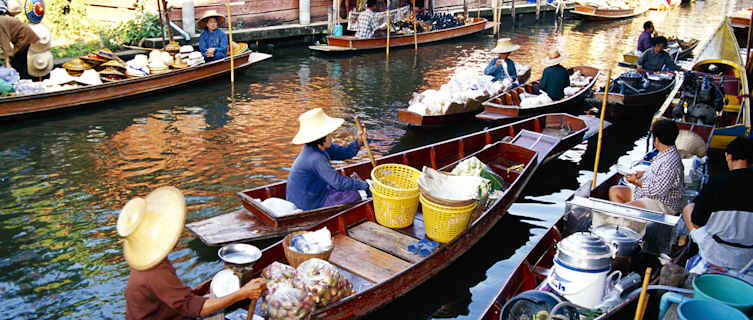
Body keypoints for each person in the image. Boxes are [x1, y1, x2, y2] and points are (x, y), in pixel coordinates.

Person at [120, 186, 267, 320]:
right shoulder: (155, 271)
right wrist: (243, 293)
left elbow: (174, 295)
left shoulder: (149, 259)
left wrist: (195, 294)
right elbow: (192, 308)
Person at [682, 137, 753, 284]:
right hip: (748, 257)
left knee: (689, 208)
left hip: (716, 253)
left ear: (729, 156)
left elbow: (697, 220)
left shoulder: (716, 183)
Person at [286, 108, 371, 211]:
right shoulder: (316, 157)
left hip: (317, 191)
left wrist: (359, 141)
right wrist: (365, 185)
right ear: (321, 138)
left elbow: (345, 153)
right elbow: (339, 183)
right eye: (329, 135)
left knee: (353, 187)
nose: (332, 137)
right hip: (308, 202)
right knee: (357, 194)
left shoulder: (323, 147)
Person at [609, 120, 685, 214]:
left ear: (656, 139)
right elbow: (661, 174)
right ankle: (626, 220)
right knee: (614, 191)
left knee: (625, 210)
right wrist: (642, 174)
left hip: (662, 202)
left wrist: (636, 182)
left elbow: (657, 191)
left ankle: (625, 220)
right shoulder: (665, 152)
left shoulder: (670, 161)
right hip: (649, 195)